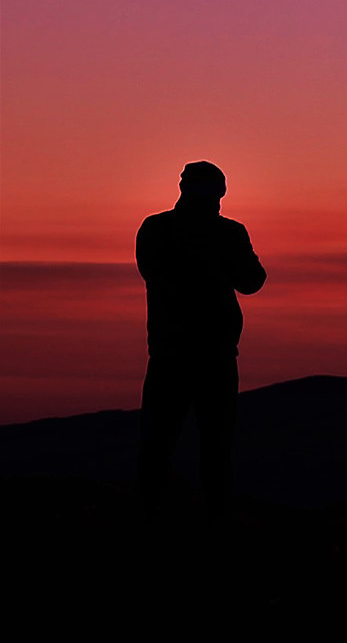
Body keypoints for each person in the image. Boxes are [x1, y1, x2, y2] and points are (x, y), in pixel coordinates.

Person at [135, 160, 266, 522]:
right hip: (206, 355)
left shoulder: (156, 229)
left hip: (177, 353)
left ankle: (155, 516)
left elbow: (252, 281)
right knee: (211, 447)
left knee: (164, 443)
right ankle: (211, 522)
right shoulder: (225, 234)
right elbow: (253, 280)